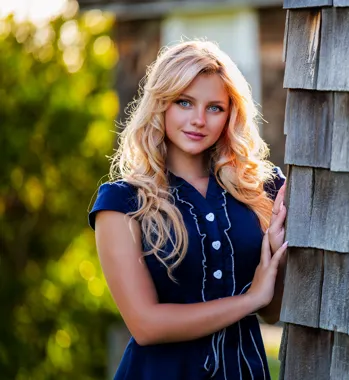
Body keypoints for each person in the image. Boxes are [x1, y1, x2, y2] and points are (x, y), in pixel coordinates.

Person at [88, 40, 288, 380]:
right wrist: (250, 299)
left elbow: (273, 310)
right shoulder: (121, 203)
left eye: (215, 108)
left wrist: (274, 266)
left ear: (231, 114)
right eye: (184, 102)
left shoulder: (262, 191)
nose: (198, 120)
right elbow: (146, 325)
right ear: (161, 104)